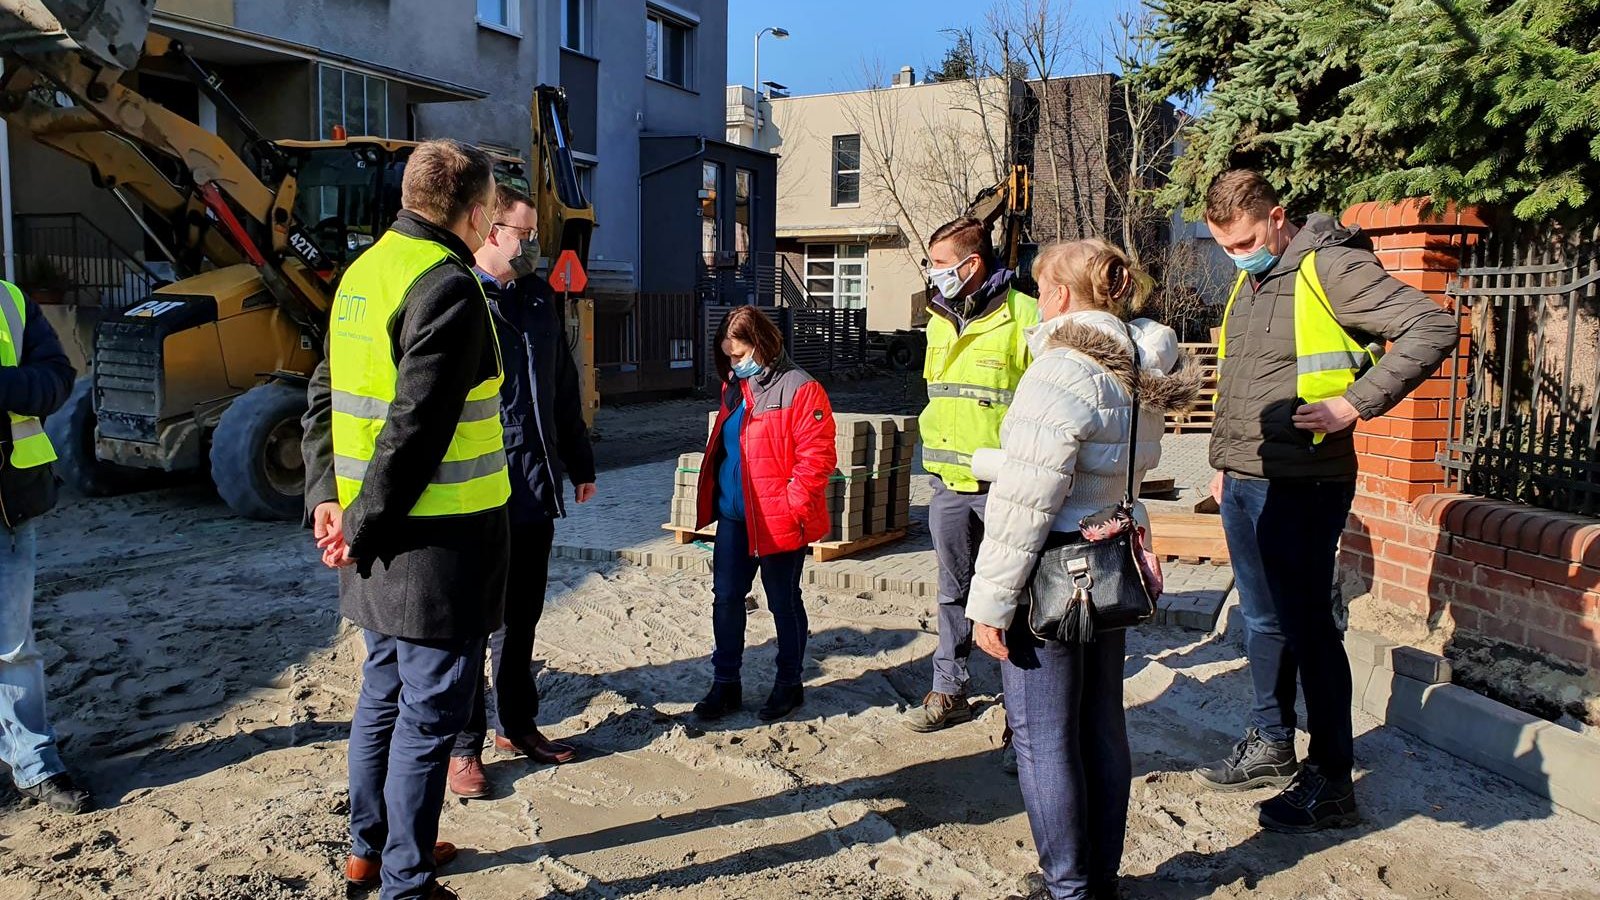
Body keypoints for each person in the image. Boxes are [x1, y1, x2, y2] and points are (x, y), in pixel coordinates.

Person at [1194, 169, 1456, 833]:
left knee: (1310, 629)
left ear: (1279, 217)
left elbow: (1431, 325)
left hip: (1305, 486)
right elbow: (1244, 380)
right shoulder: (1250, 282)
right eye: (1224, 245)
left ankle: (1333, 781)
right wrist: (1224, 463)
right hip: (1247, 481)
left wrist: (1353, 404)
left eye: (1246, 240)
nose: (1236, 254)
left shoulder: (1328, 267)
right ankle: (1271, 744)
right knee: (1261, 622)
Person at [302, 138, 512, 900]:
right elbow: (414, 434)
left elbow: (325, 394)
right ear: (476, 209)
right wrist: (359, 522)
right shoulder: (446, 285)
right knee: (426, 720)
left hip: (376, 542)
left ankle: (369, 852)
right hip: (433, 548)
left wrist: (330, 498)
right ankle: (406, 882)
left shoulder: (364, 272)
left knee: (381, 699)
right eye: (492, 206)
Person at [966, 239, 1199, 900]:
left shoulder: (1063, 368)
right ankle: (1100, 878)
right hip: (1110, 562)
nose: (1038, 303)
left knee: (1044, 740)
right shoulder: (1139, 362)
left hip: (1053, 570)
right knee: (1101, 723)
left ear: (1062, 295)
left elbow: (1027, 497)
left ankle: (1068, 888)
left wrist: (989, 601)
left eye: (1042, 289)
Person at [447, 184, 597, 798]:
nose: (534, 245)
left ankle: (518, 724)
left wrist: (580, 462)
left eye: (536, 235)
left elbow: (562, 385)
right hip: (476, 488)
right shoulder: (456, 296)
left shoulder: (537, 297)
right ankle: (463, 749)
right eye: (524, 234)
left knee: (521, 617)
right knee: (466, 626)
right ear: (490, 232)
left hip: (533, 485)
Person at [903, 215, 1038, 739]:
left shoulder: (1025, 315)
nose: (932, 274)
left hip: (1007, 489)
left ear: (971, 263)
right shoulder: (938, 319)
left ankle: (1020, 714)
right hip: (948, 486)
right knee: (951, 590)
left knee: (1014, 596)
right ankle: (950, 688)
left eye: (938, 265)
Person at [690, 306, 835, 723]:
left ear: (763, 344)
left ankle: (789, 684)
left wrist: (791, 508)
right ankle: (725, 684)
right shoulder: (734, 388)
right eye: (728, 357)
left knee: (783, 602)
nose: (734, 364)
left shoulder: (801, 388)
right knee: (727, 599)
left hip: (778, 520)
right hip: (735, 517)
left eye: (740, 355)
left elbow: (817, 458)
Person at [0, 281, 85, 815]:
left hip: (8, 505)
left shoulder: (10, 302)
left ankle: (33, 762)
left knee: (13, 647)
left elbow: (57, 380)